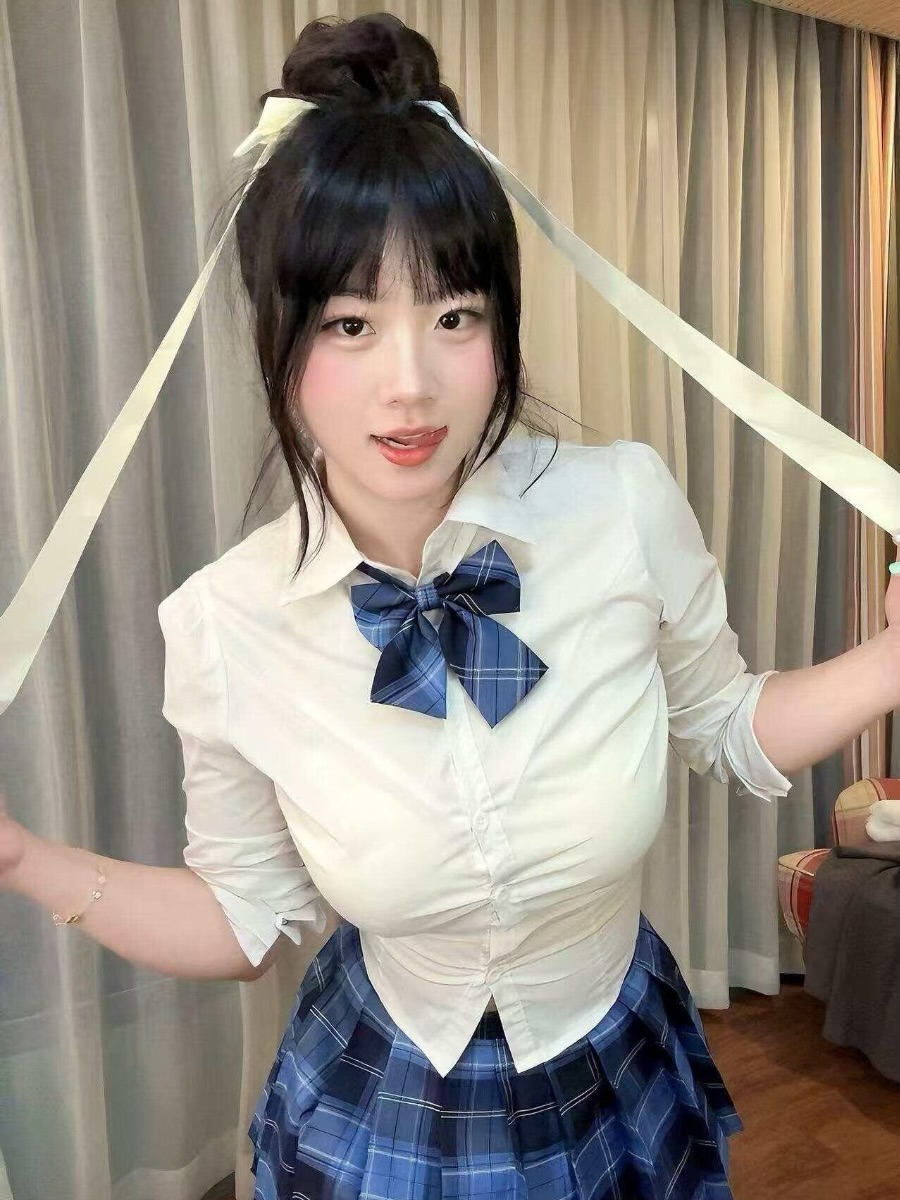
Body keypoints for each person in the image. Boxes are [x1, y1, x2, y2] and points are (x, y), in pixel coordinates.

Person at [2, 12, 900, 1200]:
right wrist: (21, 856)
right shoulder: (224, 623)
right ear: (278, 338)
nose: (411, 385)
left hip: (621, 1064)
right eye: (351, 323)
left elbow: (726, 720)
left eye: (455, 316)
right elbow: (238, 918)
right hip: (381, 1098)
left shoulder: (621, 504)